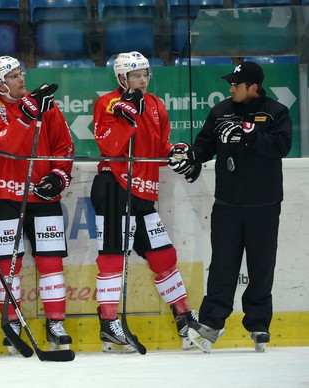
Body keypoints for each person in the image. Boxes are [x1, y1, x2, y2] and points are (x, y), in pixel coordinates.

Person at [168, 61, 293, 353]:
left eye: (236, 85)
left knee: (262, 266)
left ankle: (259, 323)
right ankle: (212, 322)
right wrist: (190, 156)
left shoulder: (276, 112)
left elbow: (282, 146)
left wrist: (248, 136)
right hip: (227, 203)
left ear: (253, 87)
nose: (230, 88)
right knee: (222, 266)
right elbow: (204, 145)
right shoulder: (221, 111)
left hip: (264, 203)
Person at [91, 51, 197, 353]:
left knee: (163, 256)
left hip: (143, 192)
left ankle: (183, 315)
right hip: (114, 185)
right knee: (112, 257)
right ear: (122, 78)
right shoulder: (107, 103)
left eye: (145, 74)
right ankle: (109, 323)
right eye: (136, 75)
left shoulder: (156, 105)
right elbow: (108, 145)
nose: (142, 80)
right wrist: (127, 118)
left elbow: (160, 145)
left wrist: (176, 153)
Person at [0, 56, 75, 354]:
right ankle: (13, 322)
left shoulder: (45, 106)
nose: (21, 79)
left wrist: (58, 176)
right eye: (13, 76)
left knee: (51, 263)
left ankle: (55, 322)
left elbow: (63, 145)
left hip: (43, 198)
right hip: (6, 197)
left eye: (20, 73)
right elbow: (5, 142)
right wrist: (28, 114)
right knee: (9, 265)